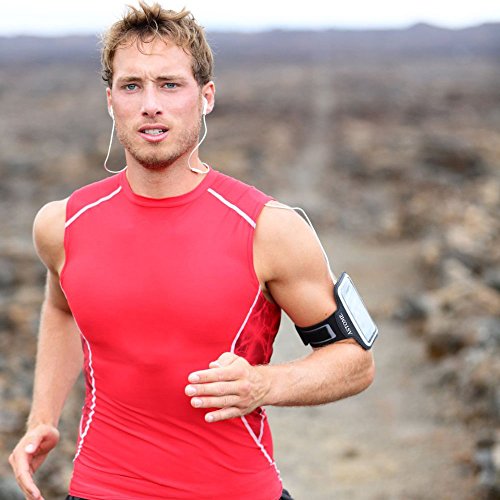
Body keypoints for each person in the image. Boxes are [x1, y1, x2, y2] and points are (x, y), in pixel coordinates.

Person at [8, 2, 375, 499]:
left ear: (206, 97)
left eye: (170, 84)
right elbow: (62, 308)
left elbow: (355, 360)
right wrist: (42, 416)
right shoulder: (62, 224)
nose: (150, 104)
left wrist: (264, 384)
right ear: (110, 100)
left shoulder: (268, 228)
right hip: (99, 488)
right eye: (131, 86)